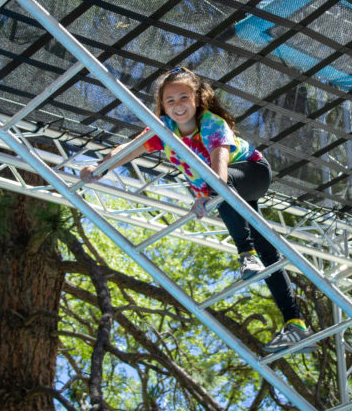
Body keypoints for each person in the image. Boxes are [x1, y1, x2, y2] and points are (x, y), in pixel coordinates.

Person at [80, 67, 313, 353]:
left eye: (183, 98)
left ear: (198, 99)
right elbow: (129, 149)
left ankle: (246, 255)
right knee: (268, 247)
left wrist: (207, 194)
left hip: (251, 172)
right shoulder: (163, 131)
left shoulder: (211, 123)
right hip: (224, 187)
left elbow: (220, 165)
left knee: (220, 192)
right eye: (170, 101)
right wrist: (100, 168)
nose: (178, 106)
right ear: (163, 106)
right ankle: (296, 324)